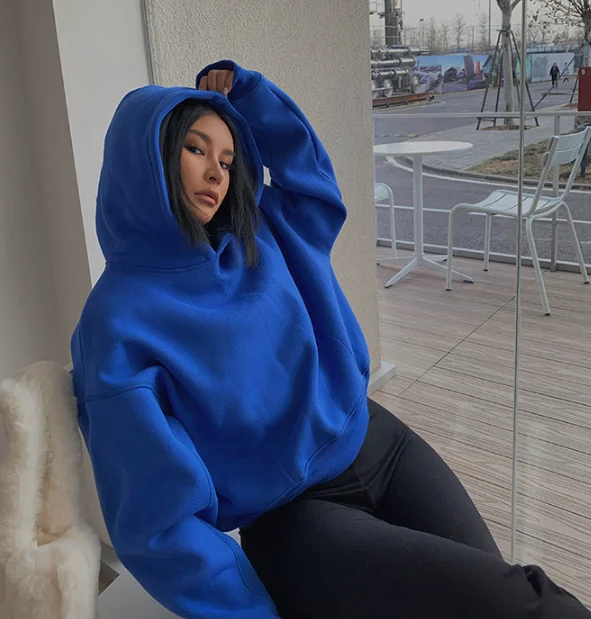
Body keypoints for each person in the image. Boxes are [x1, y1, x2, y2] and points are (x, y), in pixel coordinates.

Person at [71, 60, 591, 619]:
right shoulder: (115, 323)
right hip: (292, 517)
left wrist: (253, 95)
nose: (217, 174)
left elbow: (312, 182)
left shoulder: (264, 233)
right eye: (196, 149)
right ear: (146, 157)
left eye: (227, 159)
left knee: (499, 590)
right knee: (516, 602)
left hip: (380, 443)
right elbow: (157, 520)